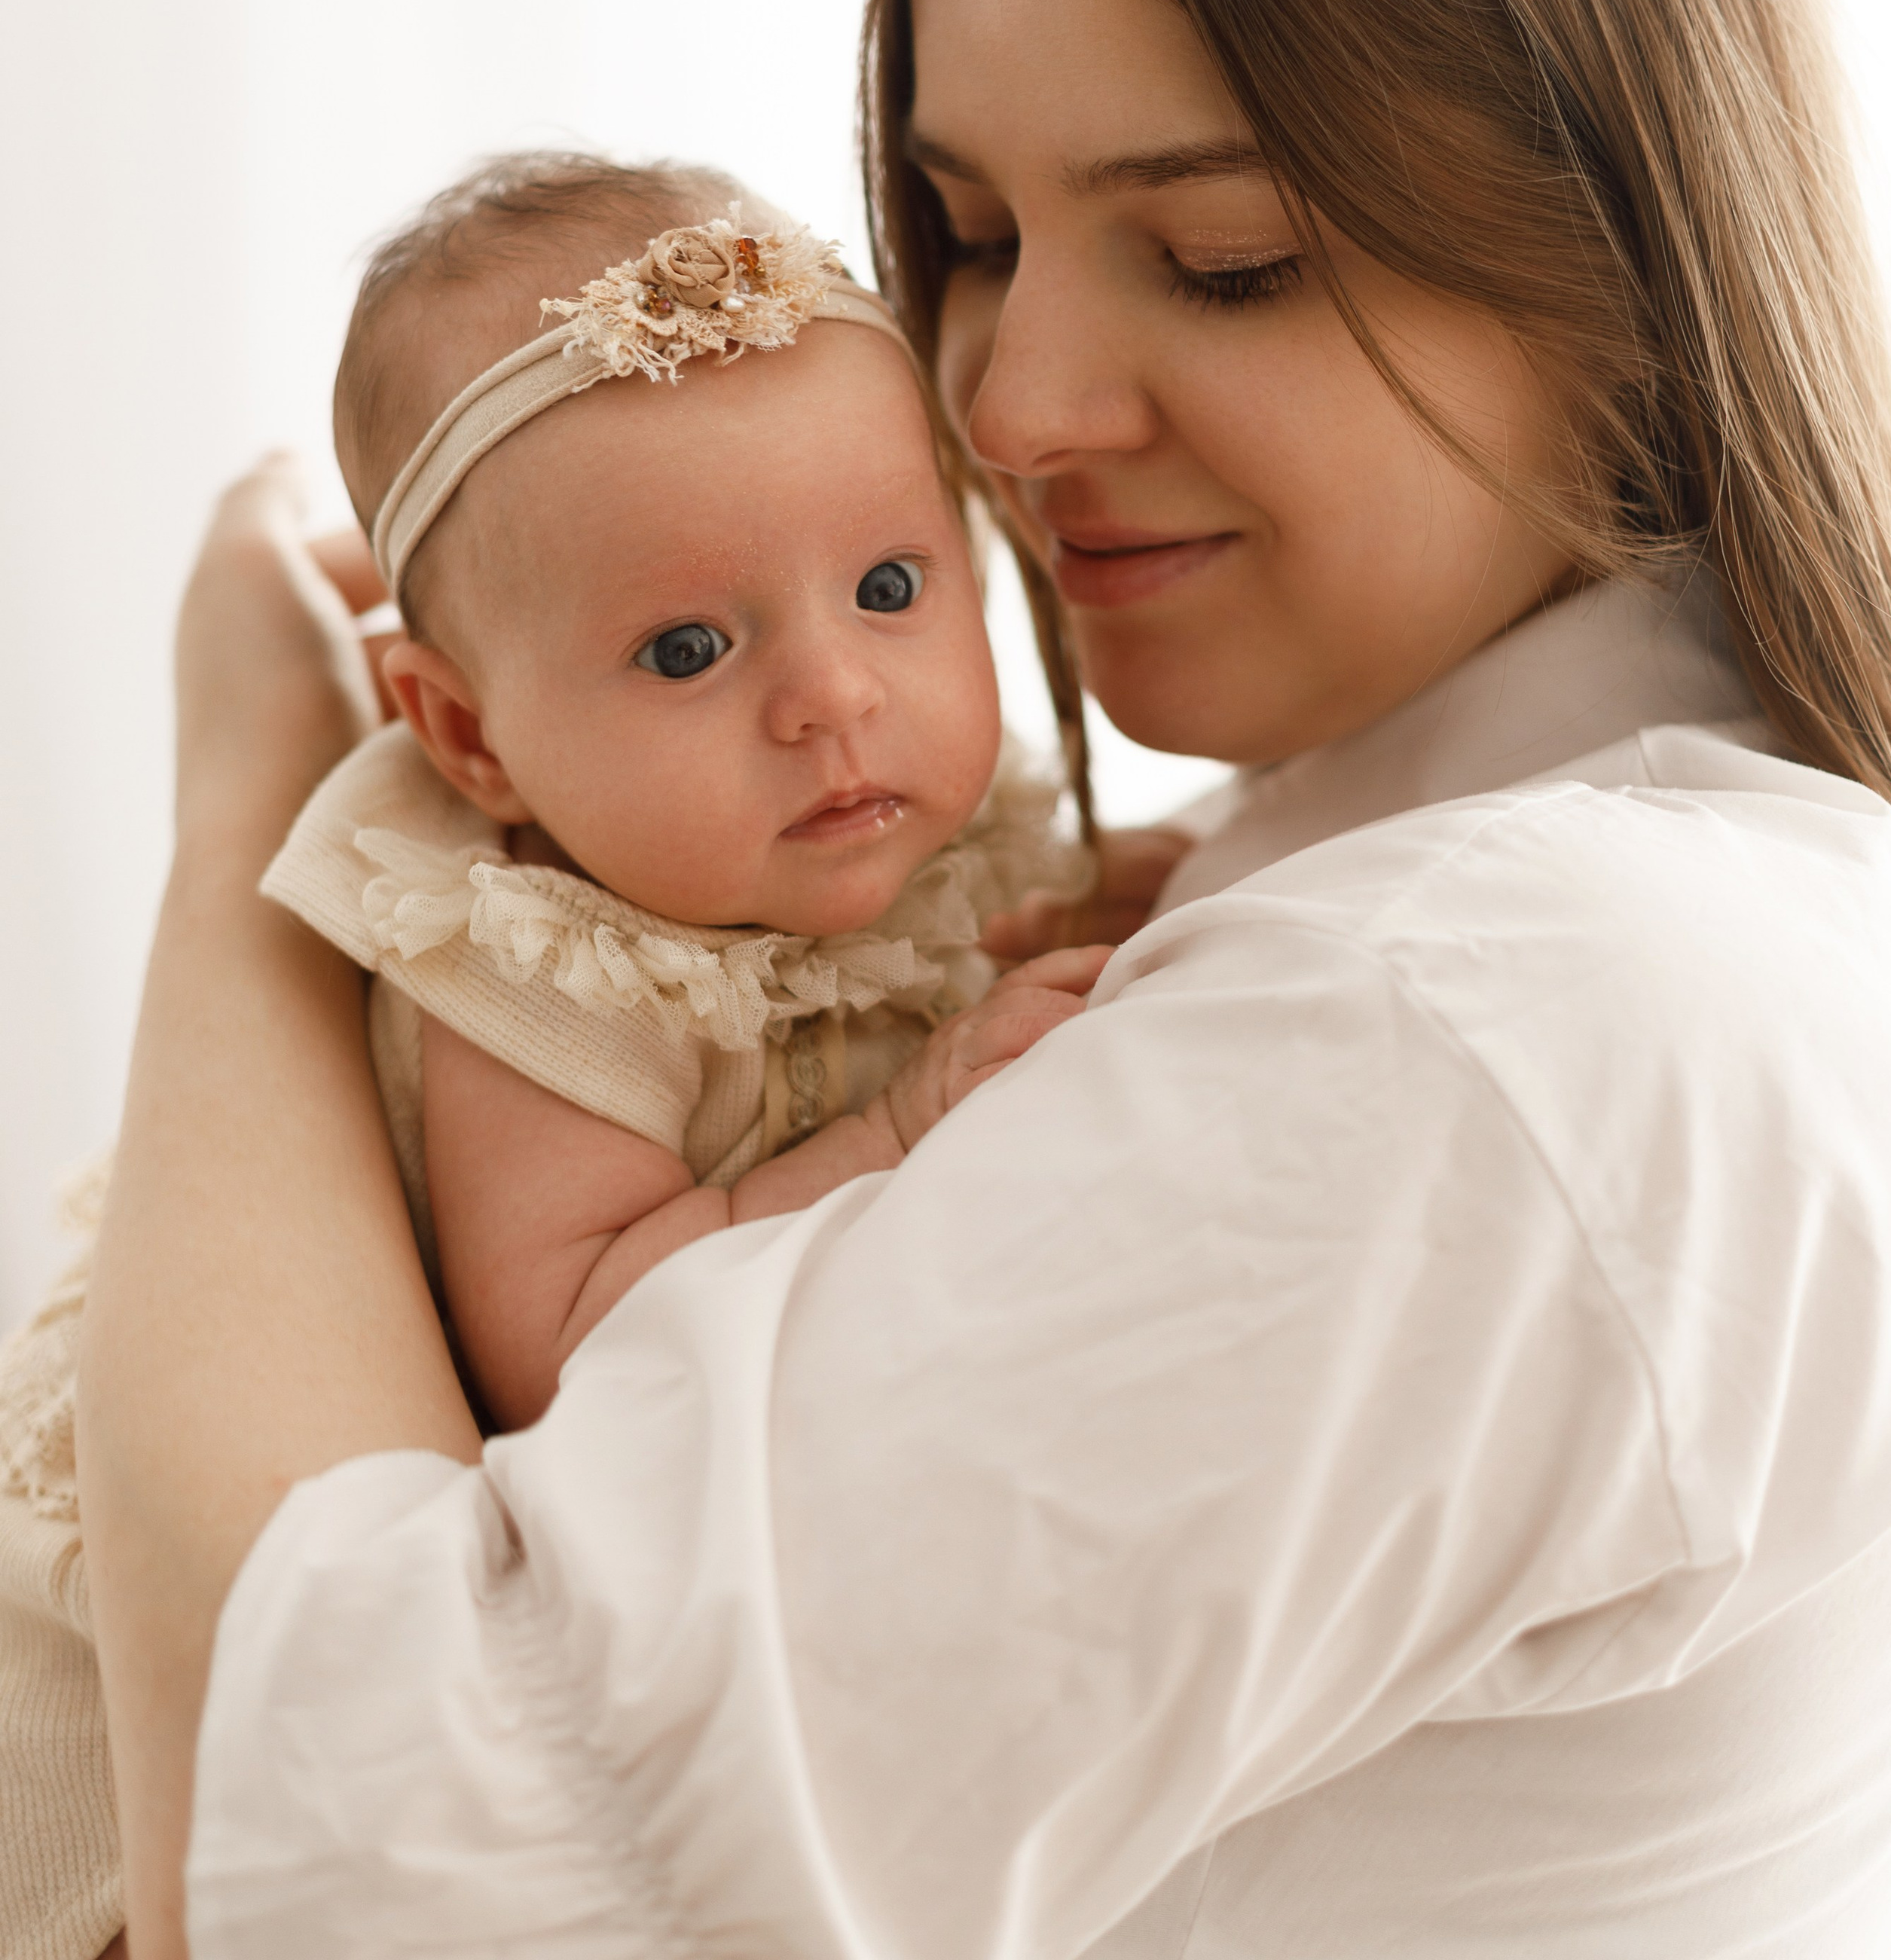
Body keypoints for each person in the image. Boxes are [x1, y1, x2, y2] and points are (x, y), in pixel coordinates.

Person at [78, 0, 1891, 1957]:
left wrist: (262, 815)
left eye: (1231, 252)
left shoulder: (1503, 1018)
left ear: (1625, 239)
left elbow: (338, 1871)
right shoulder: (1386, 893)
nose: (1015, 414)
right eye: (962, 236)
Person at [0, 153, 1116, 1958]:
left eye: (893, 582)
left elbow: (964, 934)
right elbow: (574, 1329)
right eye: (688, 644)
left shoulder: (849, 819)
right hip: (162, 1737)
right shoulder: (518, 945)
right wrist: (901, 1119)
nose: (832, 690)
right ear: (471, 739)